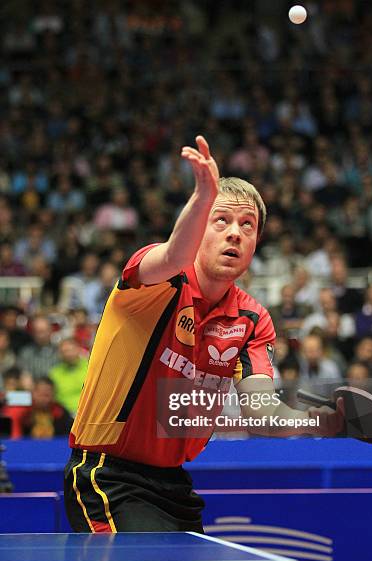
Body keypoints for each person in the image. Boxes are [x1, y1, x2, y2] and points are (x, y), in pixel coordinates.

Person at [64, 136, 343, 534]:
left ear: (255, 244)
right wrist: (203, 195)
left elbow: (261, 412)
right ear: (199, 227)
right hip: (107, 476)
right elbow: (176, 253)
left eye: (247, 225)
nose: (235, 233)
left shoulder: (252, 318)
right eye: (221, 220)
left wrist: (321, 422)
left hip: (174, 483)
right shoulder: (156, 280)